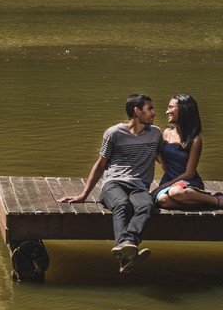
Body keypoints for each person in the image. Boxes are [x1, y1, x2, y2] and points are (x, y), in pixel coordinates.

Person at [58, 93, 161, 267]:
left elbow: (164, 158)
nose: (154, 113)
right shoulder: (114, 133)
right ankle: (126, 247)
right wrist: (84, 195)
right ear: (137, 111)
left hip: (139, 186)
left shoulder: (156, 134)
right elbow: (100, 165)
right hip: (113, 184)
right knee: (122, 204)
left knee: (146, 206)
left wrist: (179, 180)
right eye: (149, 108)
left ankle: (126, 246)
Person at [153, 93, 223, 209]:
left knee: (175, 192)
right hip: (169, 181)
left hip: (187, 182)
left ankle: (217, 199)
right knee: (163, 200)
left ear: (183, 110)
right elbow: (163, 161)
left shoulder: (195, 140)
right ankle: (203, 202)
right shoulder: (166, 133)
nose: (167, 112)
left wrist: (162, 187)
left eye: (171, 107)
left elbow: (189, 174)